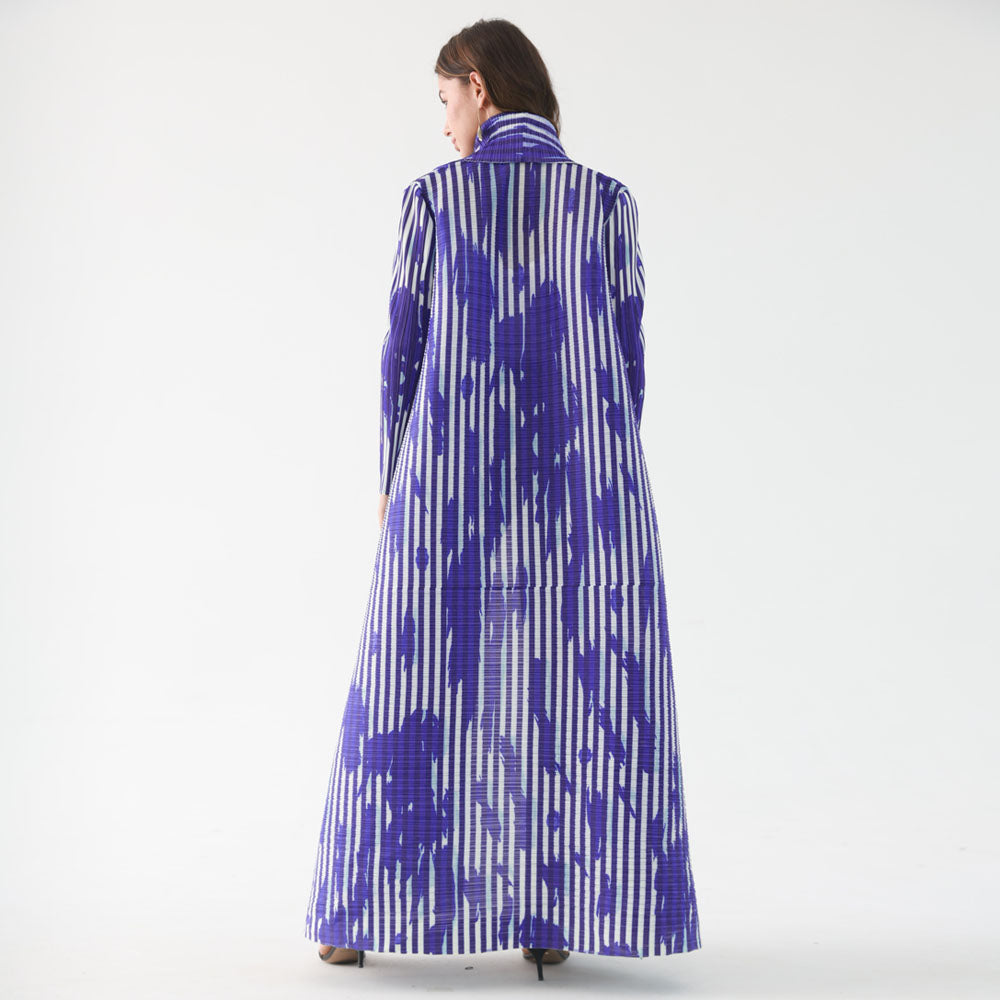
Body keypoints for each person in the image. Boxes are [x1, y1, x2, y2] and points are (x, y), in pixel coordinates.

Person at [305, 18, 702, 980]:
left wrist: (394, 477)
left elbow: (402, 354)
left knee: (412, 680)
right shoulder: (606, 203)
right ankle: (554, 911)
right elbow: (629, 360)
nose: (444, 125)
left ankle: (359, 912)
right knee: (573, 685)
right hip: (588, 482)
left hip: (451, 476)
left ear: (479, 88)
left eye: (446, 100)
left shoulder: (435, 201)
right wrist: (603, 461)